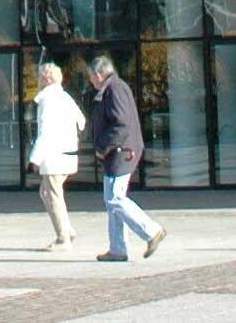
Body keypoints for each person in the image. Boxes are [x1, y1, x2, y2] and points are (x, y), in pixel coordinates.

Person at [85, 55, 167, 263]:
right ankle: (118, 248)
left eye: (91, 77)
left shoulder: (114, 89)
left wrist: (104, 146)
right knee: (111, 199)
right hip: (119, 151)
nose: (91, 81)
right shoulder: (113, 88)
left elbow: (121, 123)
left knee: (115, 198)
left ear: (98, 74)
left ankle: (151, 231)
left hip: (122, 151)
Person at [25, 61, 86, 251]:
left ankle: (63, 238)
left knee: (52, 196)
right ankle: (67, 229)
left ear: (46, 79)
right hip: (67, 152)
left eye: (40, 76)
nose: (38, 80)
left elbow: (45, 132)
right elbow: (82, 122)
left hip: (54, 156)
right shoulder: (65, 97)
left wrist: (34, 158)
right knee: (47, 192)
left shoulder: (47, 100)